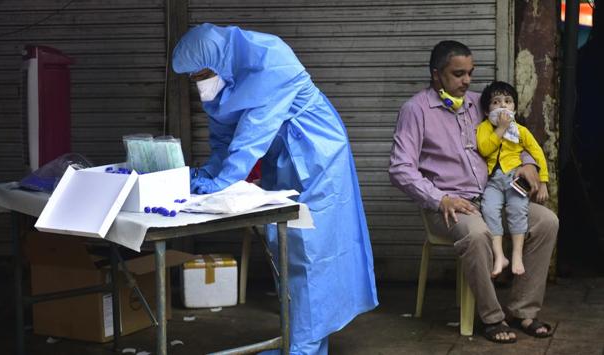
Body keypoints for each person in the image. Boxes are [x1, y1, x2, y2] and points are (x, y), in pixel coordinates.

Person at [172, 23, 378, 354]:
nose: (199, 82)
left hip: (317, 159)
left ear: (220, 59)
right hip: (282, 161)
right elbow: (224, 138)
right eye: (193, 77)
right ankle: (298, 340)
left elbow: (254, 132)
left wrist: (221, 182)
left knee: (312, 252)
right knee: (286, 249)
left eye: (202, 73)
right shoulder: (226, 79)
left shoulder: (271, 59)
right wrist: (206, 174)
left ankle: (305, 347)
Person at [389, 40, 558, 344]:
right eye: (458, 74)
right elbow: (401, 169)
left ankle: (523, 311)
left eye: (470, 73)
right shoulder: (415, 111)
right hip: (449, 205)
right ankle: (492, 318)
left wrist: (529, 163)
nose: (467, 80)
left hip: (494, 196)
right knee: (477, 233)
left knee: (546, 222)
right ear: (436, 74)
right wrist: (440, 198)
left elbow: (517, 136)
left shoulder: (480, 104)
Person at [477, 81, 549, 277]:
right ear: (486, 111)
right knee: (489, 210)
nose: (502, 106)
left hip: (514, 179)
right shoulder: (484, 128)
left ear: (514, 108)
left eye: (508, 102)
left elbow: (537, 153)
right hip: (492, 182)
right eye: (496, 102)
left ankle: (517, 254)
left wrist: (542, 182)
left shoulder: (520, 131)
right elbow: (484, 148)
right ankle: (499, 256)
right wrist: (500, 129)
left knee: (518, 209)